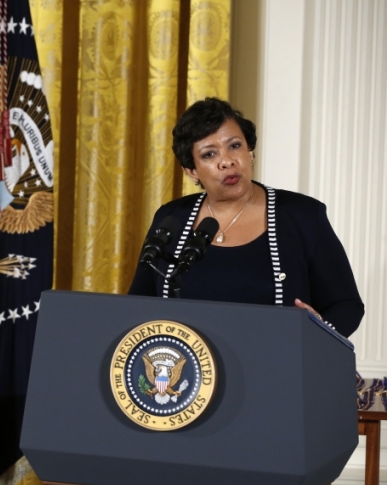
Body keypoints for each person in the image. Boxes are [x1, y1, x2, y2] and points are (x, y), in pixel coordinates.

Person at [128, 97, 364, 338]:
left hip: (278, 366)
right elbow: (136, 306)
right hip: (190, 371)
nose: (227, 161)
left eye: (234, 146)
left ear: (249, 152)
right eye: (209, 154)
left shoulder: (302, 215)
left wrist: (317, 332)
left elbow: (347, 305)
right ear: (192, 171)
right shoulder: (171, 219)